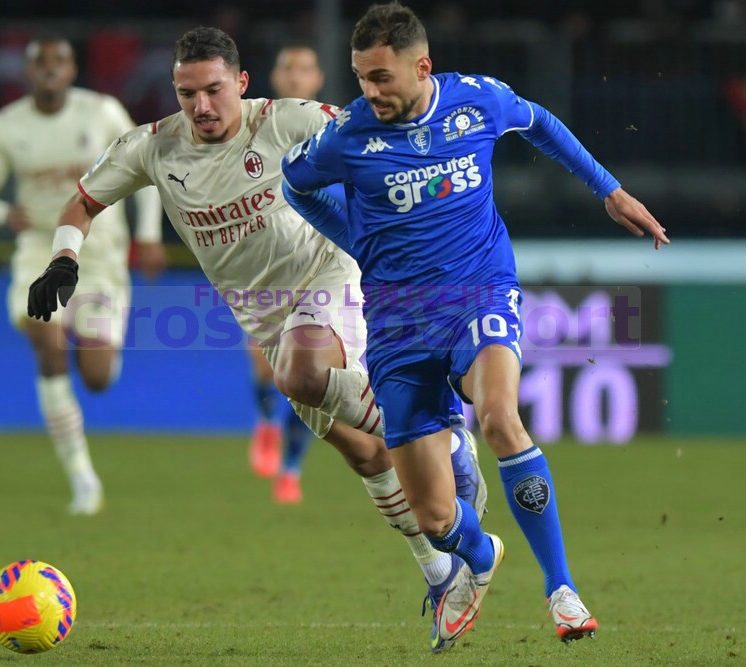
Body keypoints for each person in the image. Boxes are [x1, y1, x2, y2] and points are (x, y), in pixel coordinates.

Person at [25, 26, 487, 649]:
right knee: (364, 455)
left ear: (241, 83)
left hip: (327, 274)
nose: (201, 106)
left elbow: (373, 134)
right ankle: (440, 572)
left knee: (301, 373)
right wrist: (64, 259)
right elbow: (82, 202)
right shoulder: (152, 147)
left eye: (214, 90)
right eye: (187, 93)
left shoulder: (285, 120)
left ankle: (443, 437)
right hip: (264, 317)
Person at [282, 0, 670, 650]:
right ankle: (481, 553)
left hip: (478, 291)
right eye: (361, 77)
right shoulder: (347, 136)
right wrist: (357, 240)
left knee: (498, 416)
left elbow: (541, 123)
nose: (369, 91)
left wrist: (609, 190)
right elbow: (295, 184)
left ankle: (562, 589)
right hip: (397, 322)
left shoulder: (476, 100)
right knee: (436, 519)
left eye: (381, 77)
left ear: (422, 68)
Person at [0, 34, 167, 515]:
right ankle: (82, 477)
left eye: (59, 61)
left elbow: (146, 172)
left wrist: (149, 236)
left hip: (99, 255)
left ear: (73, 69)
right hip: (40, 250)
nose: (50, 69)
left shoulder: (102, 113)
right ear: (27, 72)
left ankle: (99, 353)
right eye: (40, 62)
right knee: (48, 342)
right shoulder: (5, 126)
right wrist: (3, 213)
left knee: (96, 377)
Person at [246, 43, 327, 503]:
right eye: (288, 68)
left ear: (317, 79)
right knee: (265, 364)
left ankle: (291, 467)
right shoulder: (254, 129)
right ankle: (265, 422)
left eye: (305, 69)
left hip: (319, 262)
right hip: (265, 261)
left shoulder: (331, 130)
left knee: (310, 370)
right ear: (276, 77)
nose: (296, 76)